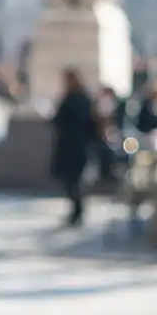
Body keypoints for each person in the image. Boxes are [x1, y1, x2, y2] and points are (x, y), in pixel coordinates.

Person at [51, 68, 97, 227]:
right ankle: (77, 212)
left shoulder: (71, 99)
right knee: (76, 181)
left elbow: (58, 120)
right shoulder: (85, 99)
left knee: (72, 182)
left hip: (70, 145)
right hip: (80, 145)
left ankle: (77, 212)